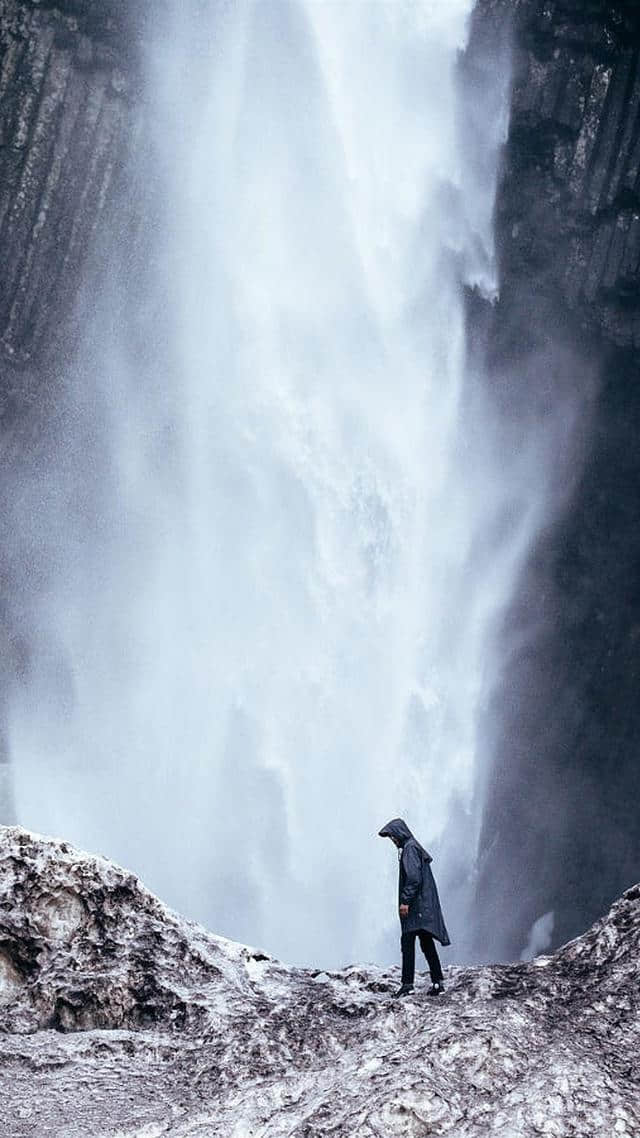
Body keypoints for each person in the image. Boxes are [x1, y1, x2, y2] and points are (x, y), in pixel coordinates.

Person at [378, 817, 450, 998]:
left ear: (399, 834)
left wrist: (405, 901)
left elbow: (414, 879)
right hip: (421, 907)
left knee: (407, 944)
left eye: (393, 836)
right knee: (426, 944)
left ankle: (407, 985)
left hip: (416, 909)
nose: (393, 840)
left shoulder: (409, 849)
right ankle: (437, 982)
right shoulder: (413, 847)